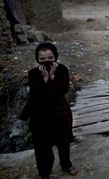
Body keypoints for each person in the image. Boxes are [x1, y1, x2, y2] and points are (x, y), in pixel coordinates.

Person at [20, 42, 78, 178]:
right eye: (42, 59)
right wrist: (46, 78)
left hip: (60, 114)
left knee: (63, 143)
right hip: (41, 117)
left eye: (50, 58)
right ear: (37, 59)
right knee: (42, 149)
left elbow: (62, 90)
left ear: (55, 56)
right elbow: (37, 95)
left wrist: (51, 77)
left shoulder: (62, 70)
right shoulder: (33, 74)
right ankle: (44, 174)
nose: (47, 62)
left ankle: (66, 164)